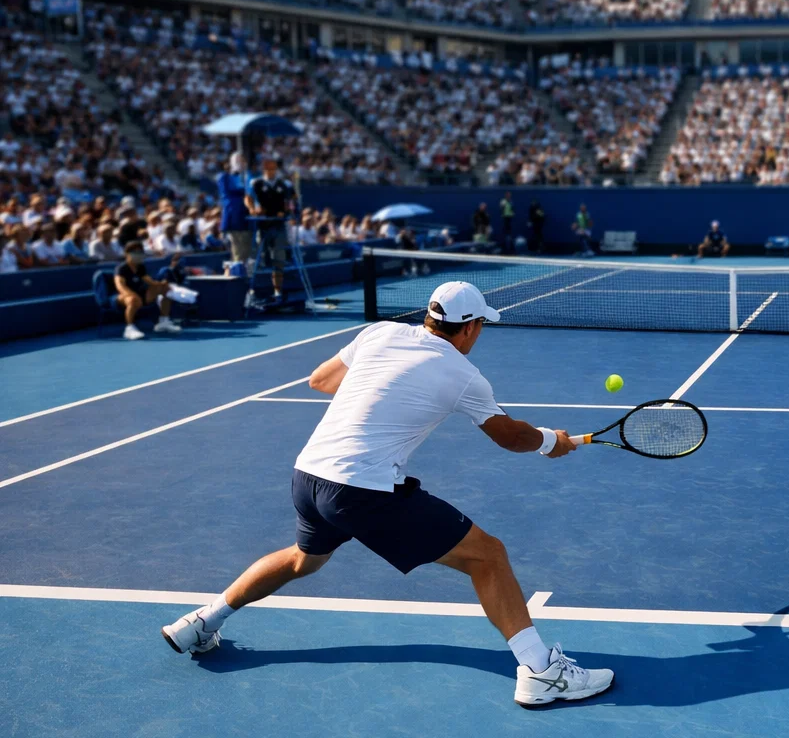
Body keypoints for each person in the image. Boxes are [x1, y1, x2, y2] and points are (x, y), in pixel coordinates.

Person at [159, 281, 612, 708]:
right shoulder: (463, 373)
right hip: (360, 489)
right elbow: (511, 437)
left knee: (303, 559)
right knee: (488, 556)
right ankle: (541, 672)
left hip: (309, 476)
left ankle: (203, 621)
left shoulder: (380, 333)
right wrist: (553, 441)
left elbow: (321, 380)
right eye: (481, 327)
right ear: (471, 327)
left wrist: (381, 383)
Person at [246, 155, 295, 303]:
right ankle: (252, 291)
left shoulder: (283, 184)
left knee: (279, 260)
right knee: (259, 259)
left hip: (278, 226)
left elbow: (291, 201)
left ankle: (277, 292)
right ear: (264, 168)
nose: (270, 169)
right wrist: (252, 209)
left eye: (272, 166)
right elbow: (248, 198)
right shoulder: (256, 182)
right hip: (263, 226)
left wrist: (286, 211)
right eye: (267, 166)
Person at [114, 240, 181, 341]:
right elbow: (120, 286)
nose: (138, 255)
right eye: (135, 252)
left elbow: (149, 281)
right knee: (133, 300)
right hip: (123, 296)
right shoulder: (122, 268)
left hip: (140, 294)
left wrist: (160, 284)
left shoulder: (140, 267)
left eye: (140, 252)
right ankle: (129, 328)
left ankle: (163, 322)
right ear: (127, 254)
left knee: (165, 289)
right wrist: (132, 295)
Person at [216, 152, 251, 271]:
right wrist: (238, 174)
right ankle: (237, 273)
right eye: (239, 162)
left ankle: (243, 271)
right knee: (238, 250)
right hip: (234, 216)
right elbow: (234, 189)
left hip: (246, 217)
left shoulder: (245, 177)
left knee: (246, 249)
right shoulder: (224, 177)